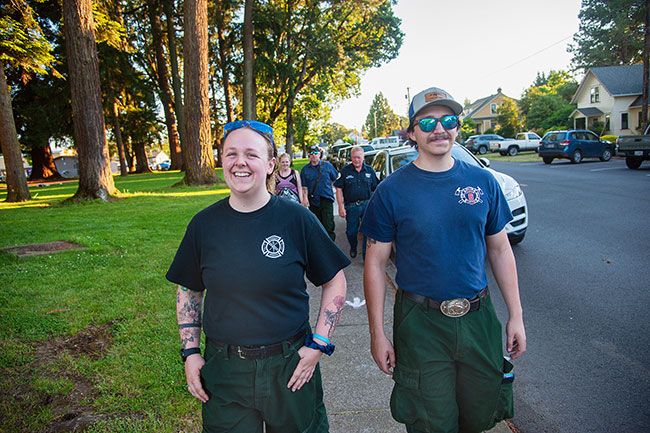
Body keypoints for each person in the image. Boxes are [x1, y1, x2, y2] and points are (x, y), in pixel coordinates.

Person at [166, 120, 350, 433]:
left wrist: (319, 343)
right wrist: (190, 353)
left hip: (290, 366)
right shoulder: (203, 225)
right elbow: (189, 289)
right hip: (225, 370)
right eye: (231, 153)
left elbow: (335, 280)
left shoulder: (296, 219)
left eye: (251, 154)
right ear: (222, 161)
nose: (240, 162)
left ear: (270, 164)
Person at [361, 87, 527, 433]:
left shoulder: (482, 182)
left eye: (449, 120)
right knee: (429, 418)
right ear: (411, 132)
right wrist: (377, 333)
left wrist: (516, 315)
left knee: (480, 413)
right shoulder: (391, 190)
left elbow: (499, 249)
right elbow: (375, 264)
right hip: (420, 323)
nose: (439, 129)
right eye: (428, 122)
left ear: (458, 126)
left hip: (479, 319)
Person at [334, 146, 378, 258]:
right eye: (354, 158)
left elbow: (376, 188)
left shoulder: (369, 170)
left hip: (367, 205)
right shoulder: (345, 171)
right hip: (351, 206)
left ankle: (365, 255)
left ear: (363, 157)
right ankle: (353, 247)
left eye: (358, 157)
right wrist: (341, 206)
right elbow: (338, 188)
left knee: (367, 232)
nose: (356, 160)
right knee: (351, 232)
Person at [300, 145, 339, 241]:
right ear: (309, 155)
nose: (314, 156)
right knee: (317, 225)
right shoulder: (305, 170)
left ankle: (331, 245)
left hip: (326, 199)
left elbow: (336, 179)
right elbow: (304, 187)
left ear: (319, 154)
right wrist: (305, 199)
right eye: (312, 153)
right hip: (313, 201)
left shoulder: (327, 166)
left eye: (316, 153)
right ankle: (321, 246)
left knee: (328, 225)